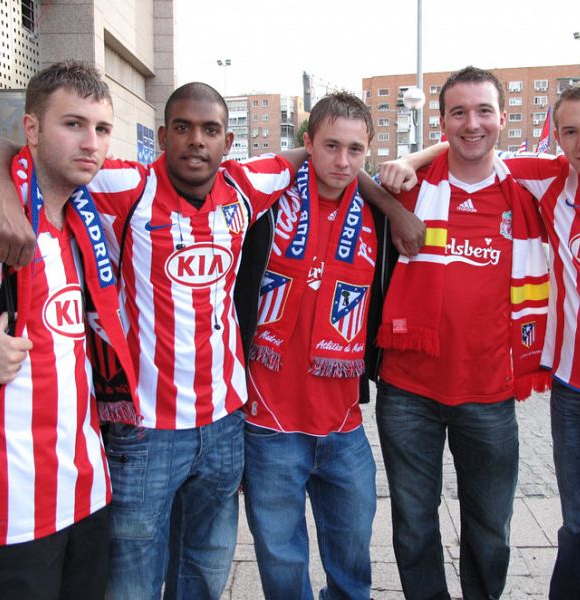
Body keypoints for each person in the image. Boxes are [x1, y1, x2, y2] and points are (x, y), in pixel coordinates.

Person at [0, 83, 423, 599]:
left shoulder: (245, 187)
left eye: (210, 131)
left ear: (228, 142)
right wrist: (2, 193)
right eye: (183, 128)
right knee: (134, 580)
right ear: (162, 135)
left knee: (204, 574)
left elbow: (331, 155)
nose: (196, 142)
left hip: (225, 426)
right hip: (146, 431)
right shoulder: (126, 185)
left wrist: (389, 201)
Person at [380, 76, 580, 599]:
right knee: (560, 531)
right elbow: (370, 173)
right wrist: (412, 165)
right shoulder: (428, 185)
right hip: (467, 391)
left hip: (572, 397)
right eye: (571, 132)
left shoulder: (567, 185)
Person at [0, 61, 139, 599]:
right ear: (33, 129)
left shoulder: (90, 219)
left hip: (84, 494)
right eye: (73, 124)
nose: (91, 142)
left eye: (102, 128)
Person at [365, 66, 551, 600]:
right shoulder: (410, 185)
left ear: (502, 117)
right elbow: (351, 171)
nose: (473, 124)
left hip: (490, 392)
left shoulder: (528, 186)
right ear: (442, 121)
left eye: (484, 111)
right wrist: (400, 185)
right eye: (459, 112)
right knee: (413, 525)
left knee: (490, 529)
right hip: (407, 390)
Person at [234, 92, 379, 599]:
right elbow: (225, 170)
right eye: (330, 145)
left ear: (368, 152)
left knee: (354, 555)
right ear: (307, 144)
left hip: (342, 423)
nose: (342, 161)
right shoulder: (267, 201)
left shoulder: (379, 209)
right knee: (280, 556)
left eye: (355, 150)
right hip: (268, 420)